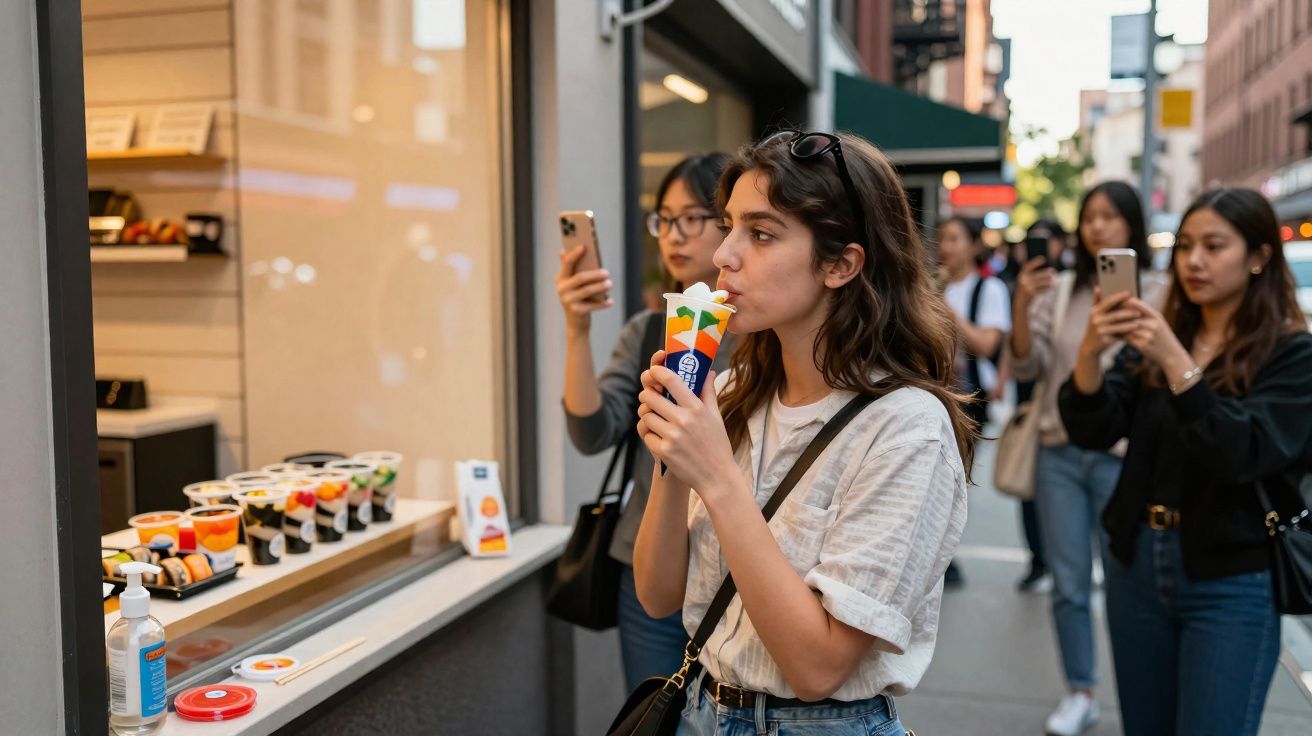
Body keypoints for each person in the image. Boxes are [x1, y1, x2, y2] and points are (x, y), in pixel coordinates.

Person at [633, 130, 970, 735]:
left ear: (841, 264)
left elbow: (818, 668)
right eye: (729, 225)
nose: (724, 255)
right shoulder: (734, 391)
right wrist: (673, 457)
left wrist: (715, 473)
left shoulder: (906, 430)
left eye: (760, 234)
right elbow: (657, 595)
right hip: (701, 712)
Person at [1060, 188, 1312, 736]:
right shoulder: (1159, 338)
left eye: (1214, 246)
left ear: (1259, 256)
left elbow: (1243, 451)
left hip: (1233, 578)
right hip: (1137, 566)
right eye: (1186, 246)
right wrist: (1088, 354)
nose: (1194, 261)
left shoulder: (1291, 354)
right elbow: (1094, 427)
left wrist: (1176, 360)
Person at [558, 153, 734, 691]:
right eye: (663, 219)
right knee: (658, 713)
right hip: (651, 572)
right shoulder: (650, 329)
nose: (672, 236)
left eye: (690, 219)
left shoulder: (773, 340)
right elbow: (591, 433)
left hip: (738, 571)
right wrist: (577, 330)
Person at [1007, 181, 1168, 736]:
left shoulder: (1160, 290)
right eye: (1089, 217)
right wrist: (1024, 304)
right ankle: (1081, 691)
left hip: (1124, 460)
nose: (1097, 226)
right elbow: (1027, 370)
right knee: (1070, 585)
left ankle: (1140, 694)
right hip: (1058, 452)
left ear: (1132, 224)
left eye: (1110, 216)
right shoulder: (1063, 288)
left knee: (1130, 584)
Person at [996, 218, 1069, 593]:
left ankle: (1063, 563)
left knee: (1062, 491)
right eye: (1031, 242)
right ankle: (1038, 560)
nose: (1038, 249)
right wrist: (1004, 379)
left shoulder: (1072, 286)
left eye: (1046, 242)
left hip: (1065, 405)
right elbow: (1015, 343)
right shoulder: (1016, 284)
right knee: (1029, 483)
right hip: (1029, 396)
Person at [937, 215, 1010, 587]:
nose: (946, 246)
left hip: (968, 396)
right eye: (943, 238)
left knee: (951, 478)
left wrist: (948, 313)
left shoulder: (990, 289)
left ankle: (944, 556)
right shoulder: (932, 286)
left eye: (955, 238)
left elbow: (986, 344)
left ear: (974, 245)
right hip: (931, 390)